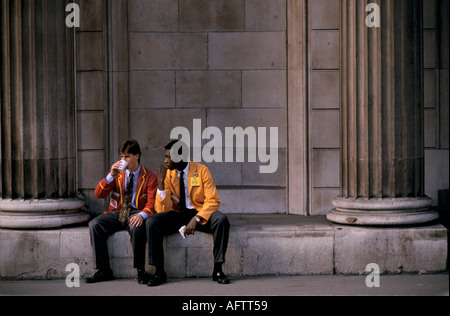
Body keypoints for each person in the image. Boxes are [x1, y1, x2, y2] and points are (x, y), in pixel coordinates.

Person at [146, 140, 231, 286]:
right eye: (165, 157)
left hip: (200, 213)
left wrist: (197, 218)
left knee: (221, 220)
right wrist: (160, 184)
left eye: (168, 157)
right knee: (152, 221)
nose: (165, 161)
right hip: (177, 215)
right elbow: (162, 210)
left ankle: (218, 269)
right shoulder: (167, 174)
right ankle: (159, 271)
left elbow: (213, 200)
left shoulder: (201, 170)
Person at [86, 139, 158, 284]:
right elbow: (99, 194)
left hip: (135, 211)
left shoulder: (149, 177)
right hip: (117, 212)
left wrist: (142, 214)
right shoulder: (117, 174)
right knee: (95, 224)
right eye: (121, 157)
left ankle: (140, 270)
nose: (123, 160)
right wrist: (110, 176)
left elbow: (152, 203)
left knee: (137, 228)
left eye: (126, 156)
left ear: (136, 156)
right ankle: (104, 270)